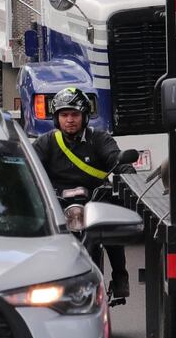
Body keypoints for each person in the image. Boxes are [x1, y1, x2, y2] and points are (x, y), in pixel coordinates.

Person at [31, 87, 129, 298]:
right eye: (64, 115)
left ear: (84, 117)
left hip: (94, 202)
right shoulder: (46, 142)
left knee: (111, 229)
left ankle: (120, 276)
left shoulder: (99, 139)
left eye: (75, 114)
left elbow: (116, 158)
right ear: (56, 118)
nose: (70, 120)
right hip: (57, 204)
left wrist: (128, 173)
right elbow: (29, 168)